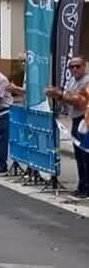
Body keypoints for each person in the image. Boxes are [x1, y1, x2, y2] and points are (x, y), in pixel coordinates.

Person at [45, 54, 89, 198]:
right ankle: (82, 186)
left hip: (86, 121)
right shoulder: (71, 81)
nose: (75, 69)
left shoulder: (87, 81)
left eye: (78, 66)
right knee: (79, 156)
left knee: (85, 156)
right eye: (72, 66)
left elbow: (79, 101)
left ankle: (86, 188)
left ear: (84, 67)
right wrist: (63, 95)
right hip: (76, 119)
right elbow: (69, 97)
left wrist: (61, 95)